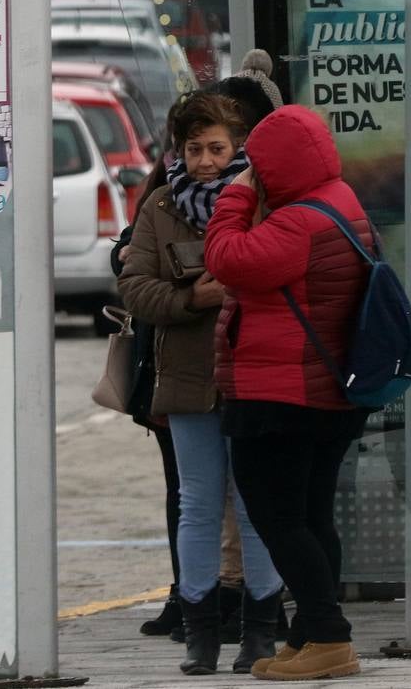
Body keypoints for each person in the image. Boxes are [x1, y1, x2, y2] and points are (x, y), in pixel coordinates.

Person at [118, 92, 283, 676]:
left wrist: (236, 282)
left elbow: (281, 274)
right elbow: (134, 287)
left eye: (217, 148)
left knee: (256, 499)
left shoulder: (260, 200)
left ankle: (262, 629)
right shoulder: (161, 205)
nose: (206, 161)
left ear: (238, 146)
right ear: (178, 151)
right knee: (198, 504)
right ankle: (201, 633)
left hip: (251, 374)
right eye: (194, 150)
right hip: (187, 379)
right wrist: (194, 297)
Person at [204, 104, 371, 681]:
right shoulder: (340, 200)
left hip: (280, 394)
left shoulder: (299, 220)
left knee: (278, 518)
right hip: (325, 390)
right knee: (310, 516)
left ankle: (329, 638)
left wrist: (237, 198)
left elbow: (227, 260)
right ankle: (309, 636)